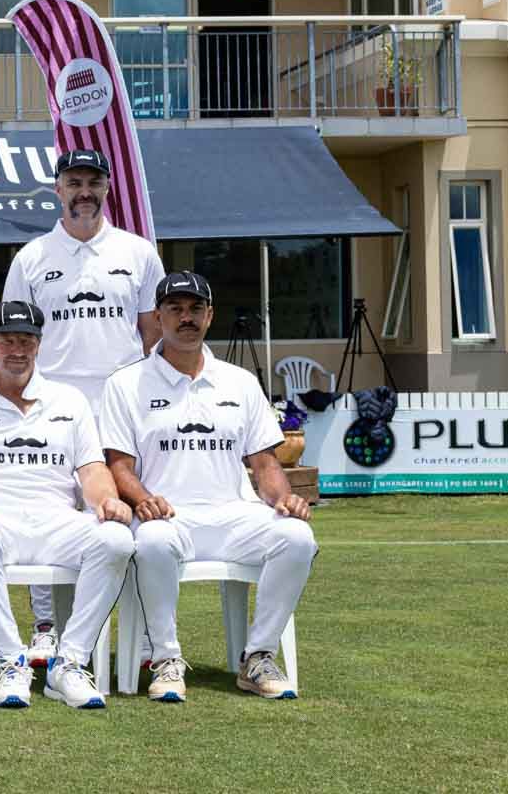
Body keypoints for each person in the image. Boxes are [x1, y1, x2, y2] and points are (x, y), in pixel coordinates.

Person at [101, 271, 316, 703]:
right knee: (154, 543)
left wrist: (283, 497)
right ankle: (166, 659)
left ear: (210, 315)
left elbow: (264, 462)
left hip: (233, 514)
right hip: (169, 516)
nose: (187, 318)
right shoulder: (125, 384)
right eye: (175, 309)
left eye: (195, 309)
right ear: (157, 317)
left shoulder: (239, 382)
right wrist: (144, 500)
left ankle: (257, 656)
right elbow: (118, 467)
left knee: (297, 537)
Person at [0, 146, 163, 667]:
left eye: (93, 182)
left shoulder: (139, 254)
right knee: (47, 515)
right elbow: (13, 339)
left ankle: (135, 639)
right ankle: (47, 629)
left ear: (108, 188)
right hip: (50, 407)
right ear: (58, 189)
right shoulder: (31, 258)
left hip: (119, 407)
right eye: (74, 182)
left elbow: (150, 333)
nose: (84, 192)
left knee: (126, 519)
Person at [0, 300, 133, 711]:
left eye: (27, 340)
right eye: (7, 340)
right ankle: (10, 659)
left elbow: (92, 470)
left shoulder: (69, 401)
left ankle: (70, 662)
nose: (17, 350)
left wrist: (107, 500)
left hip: (58, 521)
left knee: (116, 541)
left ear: (39, 345)